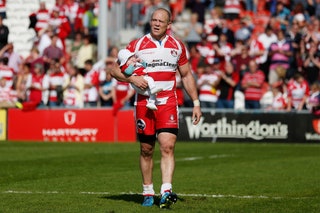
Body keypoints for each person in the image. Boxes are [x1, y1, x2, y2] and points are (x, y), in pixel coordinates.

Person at [110, 8, 202, 208]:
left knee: (167, 146)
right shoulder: (138, 44)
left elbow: (186, 76)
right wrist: (132, 77)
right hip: (144, 102)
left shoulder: (177, 46)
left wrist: (196, 102)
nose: (156, 23)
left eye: (161, 21)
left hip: (168, 101)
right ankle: (147, 192)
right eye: (154, 20)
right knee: (146, 149)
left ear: (169, 24)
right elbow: (114, 70)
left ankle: (166, 191)